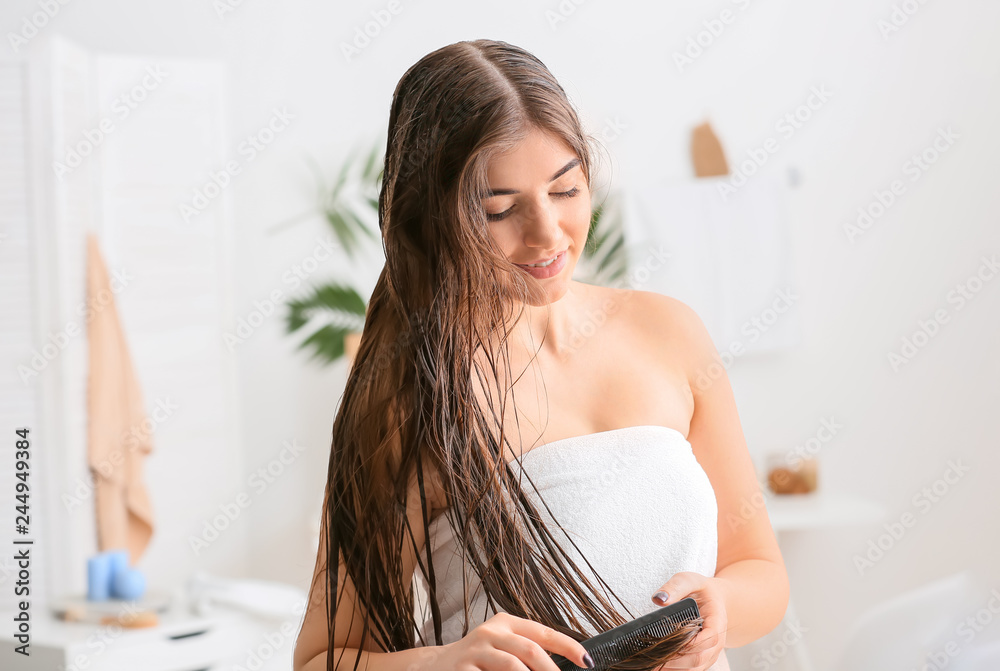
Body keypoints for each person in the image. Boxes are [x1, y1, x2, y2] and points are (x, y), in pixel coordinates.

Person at [293, 39, 789, 671]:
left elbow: (760, 570)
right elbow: (322, 659)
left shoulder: (669, 331)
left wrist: (721, 606)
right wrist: (444, 664)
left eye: (566, 190)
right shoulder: (413, 397)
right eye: (499, 210)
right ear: (433, 218)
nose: (547, 234)